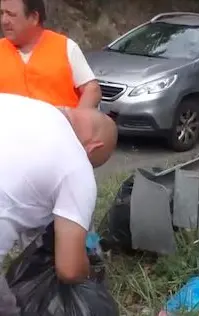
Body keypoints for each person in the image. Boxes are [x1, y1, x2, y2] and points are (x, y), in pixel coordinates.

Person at [0, 93, 117, 315]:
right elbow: (69, 270)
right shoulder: (77, 167)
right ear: (93, 147)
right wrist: (90, 275)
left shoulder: (33, 108)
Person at [0, 0, 101, 109]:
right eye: (1, 13)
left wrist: (78, 118)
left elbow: (92, 89)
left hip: (59, 124)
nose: (4, 21)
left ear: (34, 17)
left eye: (11, 14)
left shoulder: (66, 47)